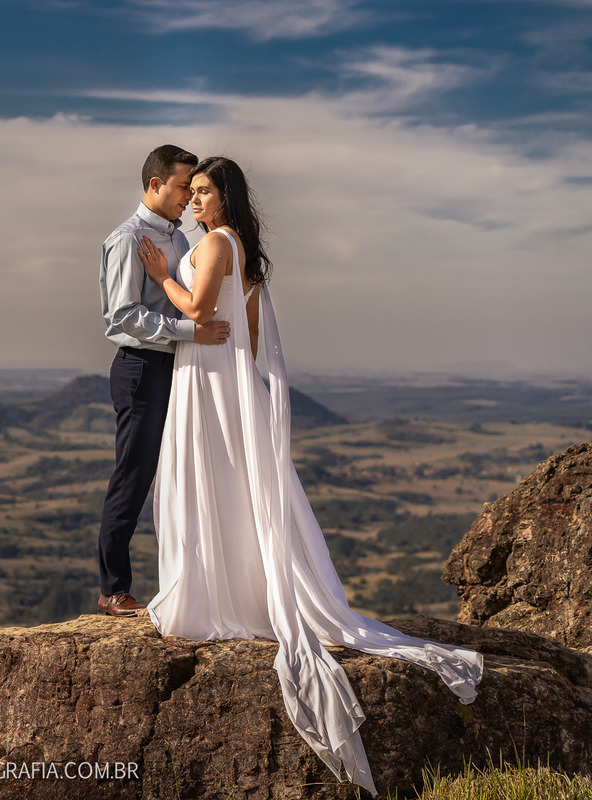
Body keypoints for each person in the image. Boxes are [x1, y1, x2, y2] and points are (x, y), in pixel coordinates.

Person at [136, 156, 483, 795]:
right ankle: (234, 584)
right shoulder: (243, 249)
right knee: (236, 484)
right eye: (195, 191)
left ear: (224, 198)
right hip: (230, 379)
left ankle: (213, 591)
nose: (196, 200)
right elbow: (247, 332)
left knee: (211, 478)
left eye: (205, 192)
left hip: (208, 376)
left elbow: (200, 313)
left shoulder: (216, 242)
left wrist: (162, 278)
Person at [97, 145, 231, 617]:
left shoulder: (179, 240)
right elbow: (121, 316)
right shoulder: (127, 239)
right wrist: (189, 331)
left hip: (181, 368)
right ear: (155, 184)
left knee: (182, 472)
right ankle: (114, 589)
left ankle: (190, 583)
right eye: (181, 187)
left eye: (196, 189)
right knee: (133, 477)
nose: (188, 198)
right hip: (141, 369)